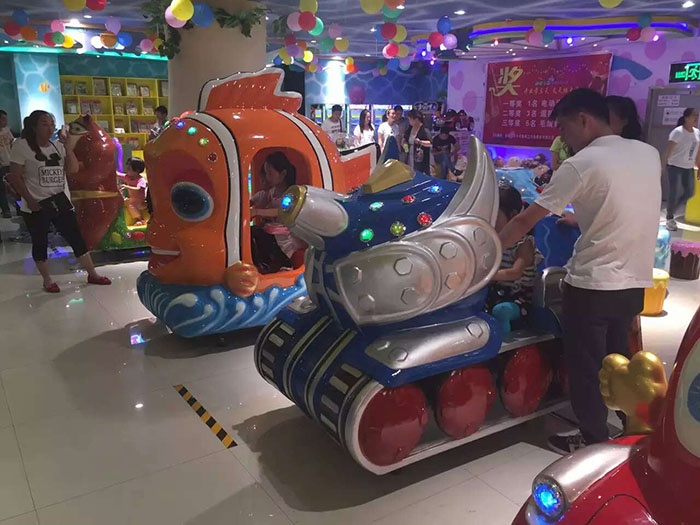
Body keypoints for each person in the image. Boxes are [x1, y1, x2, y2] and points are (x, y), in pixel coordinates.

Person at [498, 89, 661, 454]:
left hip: (592, 285)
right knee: (621, 362)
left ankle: (592, 442)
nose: (563, 139)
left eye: (564, 128)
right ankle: (632, 429)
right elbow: (618, 204)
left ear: (583, 120)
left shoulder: (580, 163)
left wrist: (488, 251)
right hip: (634, 282)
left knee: (587, 368)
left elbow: (523, 220)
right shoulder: (647, 153)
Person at [7, 110, 111, 292]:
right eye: (44, 124)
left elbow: (73, 169)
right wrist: (29, 199)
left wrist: (68, 147)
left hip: (60, 201)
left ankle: (92, 274)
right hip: (36, 204)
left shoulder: (57, 146)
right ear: (34, 127)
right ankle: (47, 280)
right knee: (40, 242)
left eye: (52, 124)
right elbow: (15, 177)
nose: (50, 129)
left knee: (76, 239)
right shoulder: (22, 146)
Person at [250, 152, 306, 274]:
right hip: (272, 231)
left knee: (264, 234)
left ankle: (285, 263)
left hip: (285, 235)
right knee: (254, 232)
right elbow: (254, 200)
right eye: (266, 173)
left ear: (283, 174)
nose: (267, 177)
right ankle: (262, 264)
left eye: (270, 173)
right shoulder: (270, 192)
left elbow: (281, 211)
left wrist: (257, 212)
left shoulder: (291, 194)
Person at [490, 184, 543, 308]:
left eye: (495, 216)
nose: (490, 220)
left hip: (518, 298)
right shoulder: (491, 240)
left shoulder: (524, 243)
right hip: (497, 292)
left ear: (513, 215)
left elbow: (515, 273)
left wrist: (486, 276)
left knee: (502, 311)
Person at [663, 107, 700, 231]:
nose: (696, 117)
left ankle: (671, 210)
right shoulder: (677, 132)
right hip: (675, 166)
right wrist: (663, 165)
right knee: (673, 192)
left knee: (689, 192)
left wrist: (698, 165)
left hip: (688, 167)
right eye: (693, 115)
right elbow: (668, 150)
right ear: (686, 117)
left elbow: (697, 151)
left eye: (697, 115)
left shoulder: (697, 132)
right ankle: (669, 218)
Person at [118, 157, 148, 225]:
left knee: (131, 204)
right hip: (133, 199)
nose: (127, 170)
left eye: (129, 169)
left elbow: (138, 189)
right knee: (125, 202)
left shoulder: (140, 180)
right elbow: (118, 175)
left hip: (141, 201)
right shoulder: (128, 177)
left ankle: (141, 219)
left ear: (136, 170)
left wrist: (126, 187)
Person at [403, 109, 432, 174]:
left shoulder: (424, 130)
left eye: (410, 119)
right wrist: (404, 144)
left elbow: (430, 143)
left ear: (416, 119)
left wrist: (420, 142)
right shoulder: (410, 129)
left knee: (419, 172)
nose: (409, 121)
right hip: (410, 155)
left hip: (420, 157)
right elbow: (405, 138)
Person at [0, 109, 14, 218]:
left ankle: (19, 208)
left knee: (15, 187)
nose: (6, 121)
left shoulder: (7, 130)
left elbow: (12, 143)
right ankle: (6, 210)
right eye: (3, 119)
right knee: (1, 189)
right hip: (1, 164)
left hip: (10, 162)